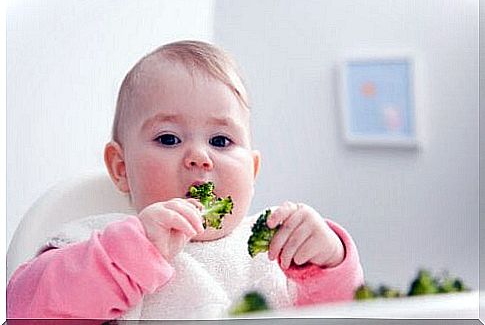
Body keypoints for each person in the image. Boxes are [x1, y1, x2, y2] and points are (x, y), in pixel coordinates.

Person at [7, 40, 364, 321]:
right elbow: (25, 311)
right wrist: (129, 253)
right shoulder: (99, 243)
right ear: (121, 168)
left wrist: (327, 263)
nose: (200, 156)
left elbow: (352, 316)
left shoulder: (278, 251)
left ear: (252, 172)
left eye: (221, 141)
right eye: (168, 139)